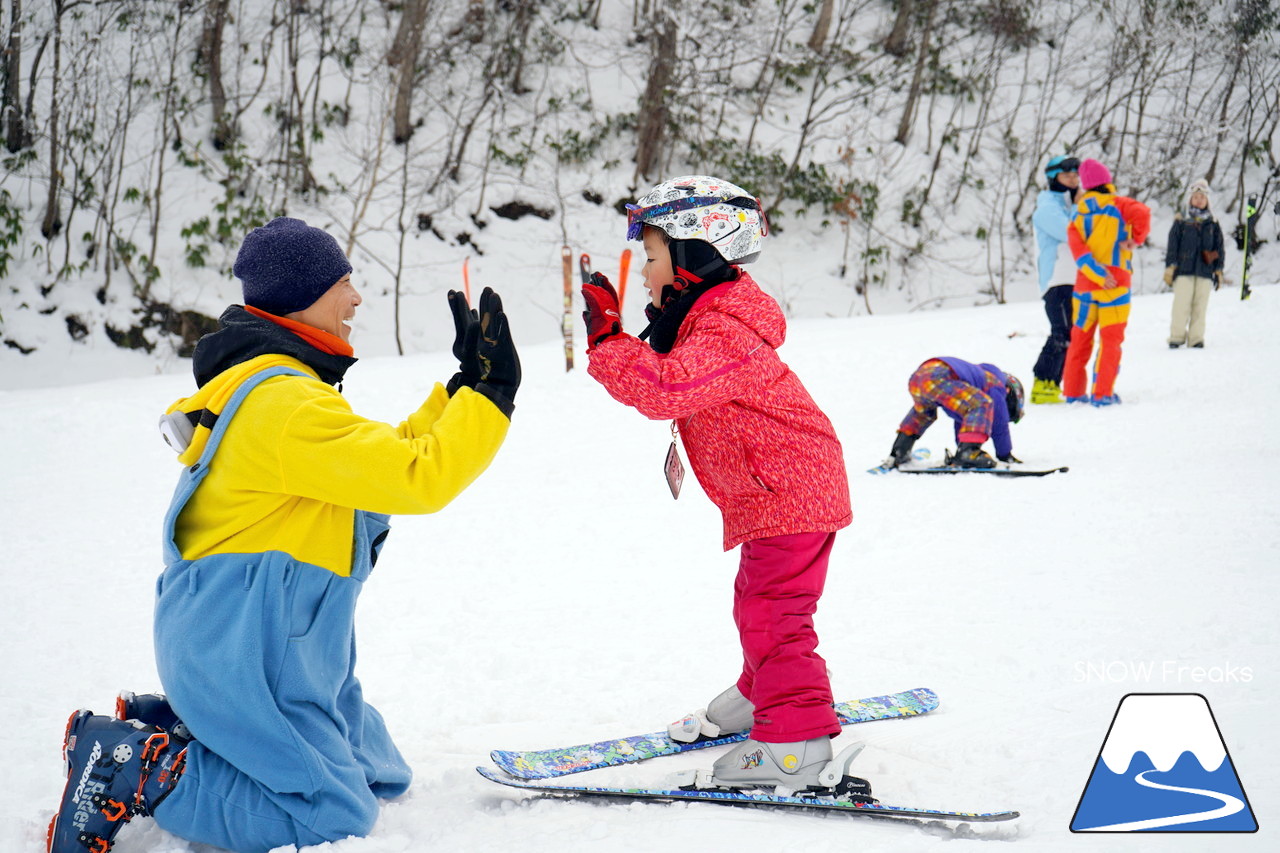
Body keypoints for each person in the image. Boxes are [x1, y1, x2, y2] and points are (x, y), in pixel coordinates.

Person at [47, 217, 520, 853]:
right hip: (248, 648)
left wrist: (465, 390)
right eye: (344, 284)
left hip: (273, 640)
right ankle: (136, 768)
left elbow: (379, 456)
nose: (356, 299)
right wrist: (492, 397)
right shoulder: (284, 406)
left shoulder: (283, 391)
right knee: (329, 814)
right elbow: (417, 474)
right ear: (305, 294)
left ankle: (192, 728)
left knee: (379, 770)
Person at [579, 175, 853, 793]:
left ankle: (795, 745)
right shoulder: (710, 317)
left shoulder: (727, 327)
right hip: (775, 491)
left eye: (652, 257)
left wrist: (607, 341)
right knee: (758, 602)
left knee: (775, 613)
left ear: (693, 258)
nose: (645, 272)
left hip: (790, 489)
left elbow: (667, 387)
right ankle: (764, 694)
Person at [1062, 158, 1151, 406]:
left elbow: (1079, 252)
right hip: (1117, 284)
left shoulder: (1077, 213)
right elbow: (1143, 212)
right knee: (1111, 341)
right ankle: (1102, 394)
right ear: (1107, 182)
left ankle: (1073, 392)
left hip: (1085, 287)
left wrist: (1097, 274)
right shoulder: (1120, 204)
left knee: (1079, 339)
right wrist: (1135, 239)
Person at [886, 357, 1025, 470]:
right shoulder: (996, 385)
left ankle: (900, 451)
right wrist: (1005, 454)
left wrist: (963, 445)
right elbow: (999, 424)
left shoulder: (974, 381)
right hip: (940, 375)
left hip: (919, 377)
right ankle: (969, 453)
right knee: (982, 403)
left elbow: (965, 423)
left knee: (923, 414)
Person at [1030, 155, 1081, 404]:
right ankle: (1042, 381)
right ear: (1053, 178)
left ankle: (1053, 384)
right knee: (1061, 332)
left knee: (1072, 332)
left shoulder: (1071, 205)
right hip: (1055, 279)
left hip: (1075, 278)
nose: (1073, 180)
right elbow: (1071, 233)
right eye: (1066, 175)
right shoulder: (1048, 207)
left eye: (1075, 175)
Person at [1164, 179, 1225, 349]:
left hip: (1205, 271)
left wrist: (1218, 270)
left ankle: (1196, 338)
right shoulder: (1181, 221)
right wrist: (1171, 266)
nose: (1199, 200)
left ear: (1207, 201)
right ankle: (1176, 337)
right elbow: (1172, 245)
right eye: (1196, 197)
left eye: (1202, 197)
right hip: (1184, 270)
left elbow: (1219, 247)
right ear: (1190, 199)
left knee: (1200, 307)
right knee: (1181, 305)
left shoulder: (1213, 223)